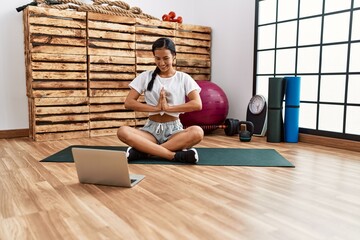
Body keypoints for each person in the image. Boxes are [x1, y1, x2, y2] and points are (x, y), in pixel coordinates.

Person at [117, 37, 204, 163]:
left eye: (166, 58)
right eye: (157, 58)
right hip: (150, 131)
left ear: (174, 56)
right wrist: (156, 108)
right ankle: (172, 156)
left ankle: (145, 152)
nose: (161, 63)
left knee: (197, 132)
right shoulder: (145, 76)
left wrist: (169, 108)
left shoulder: (183, 78)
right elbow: (129, 102)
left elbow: (197, 104)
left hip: (175, 132)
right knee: (123, 131)